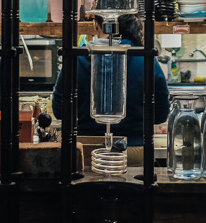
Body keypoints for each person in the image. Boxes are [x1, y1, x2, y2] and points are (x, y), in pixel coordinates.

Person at [52, 13, 170, 166]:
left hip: (85, 153)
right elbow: (160, 115)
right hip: (134, 152)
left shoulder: (76, 58)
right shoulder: (145, 58)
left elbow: (60, 111)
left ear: (96, 24)